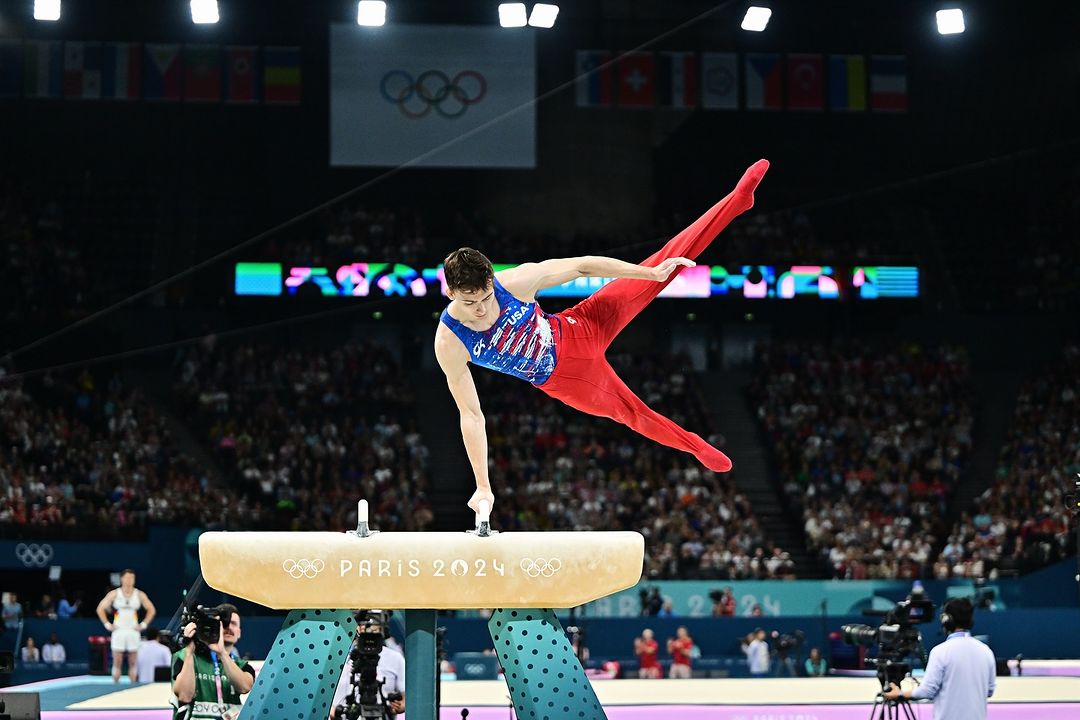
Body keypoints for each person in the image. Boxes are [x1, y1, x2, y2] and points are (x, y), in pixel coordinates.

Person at [434, 160, 770, 514]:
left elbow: (583, 264)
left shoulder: (514, 282)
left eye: (487, 297)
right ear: (452, 294)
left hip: (582, 323)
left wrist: (649, 273)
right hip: (571, 378)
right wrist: (483, 487)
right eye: (471, 303)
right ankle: (695, 446)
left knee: (664, 261)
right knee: (632, 412)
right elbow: (471, 414)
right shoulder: (450, 341)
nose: (483, 309)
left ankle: (736, 201)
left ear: (492, 280)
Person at [884, 597, 995, 720]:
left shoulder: (940, 652)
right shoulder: (986, 651)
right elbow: (990, 691)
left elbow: (927, 691)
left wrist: (899, 694)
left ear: (946, 620)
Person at [172, 604, 255, 720]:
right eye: (224, 623)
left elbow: (244, 687)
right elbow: (184, 696)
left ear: (239, 632)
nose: (228, 627)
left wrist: (222, 653)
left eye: (234, 623)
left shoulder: (243, 666)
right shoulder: (185, 656)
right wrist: (189, 652)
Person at [330, 611, 405, 719]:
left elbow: (406, 694)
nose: (368, 630)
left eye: (373, 627)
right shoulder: (337, 656)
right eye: (364, 625)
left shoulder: (395, 658)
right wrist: (332, 711)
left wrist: (401, 704)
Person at [96, 569, 158, 683]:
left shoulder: (139, 594)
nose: (129, 580)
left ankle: (132, 687)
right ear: (122, 579)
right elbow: (100, 608)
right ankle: (115, 685)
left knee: (133, 662)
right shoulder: (114, 594)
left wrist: (143, 624)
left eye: (132, 578)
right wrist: (107, 624)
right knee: (117, 661)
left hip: (133, 630)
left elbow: (152, 610)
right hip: (119, 630)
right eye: (127, 578)